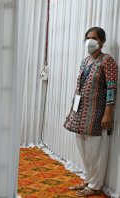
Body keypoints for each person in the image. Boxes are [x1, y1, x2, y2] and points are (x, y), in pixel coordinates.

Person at [64, 27, 118, 197]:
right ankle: (88, 179)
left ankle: (95, 185)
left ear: (102, 41)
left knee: (96, 151)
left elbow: (112, 87)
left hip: (97, 114)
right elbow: (78, 88)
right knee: (83, 149)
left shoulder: (107, 61)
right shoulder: (85, 61)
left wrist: (108, 112)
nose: (90, 41)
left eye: (94, 38)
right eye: (87, 38)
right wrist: (72, 110)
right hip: (80, 114)